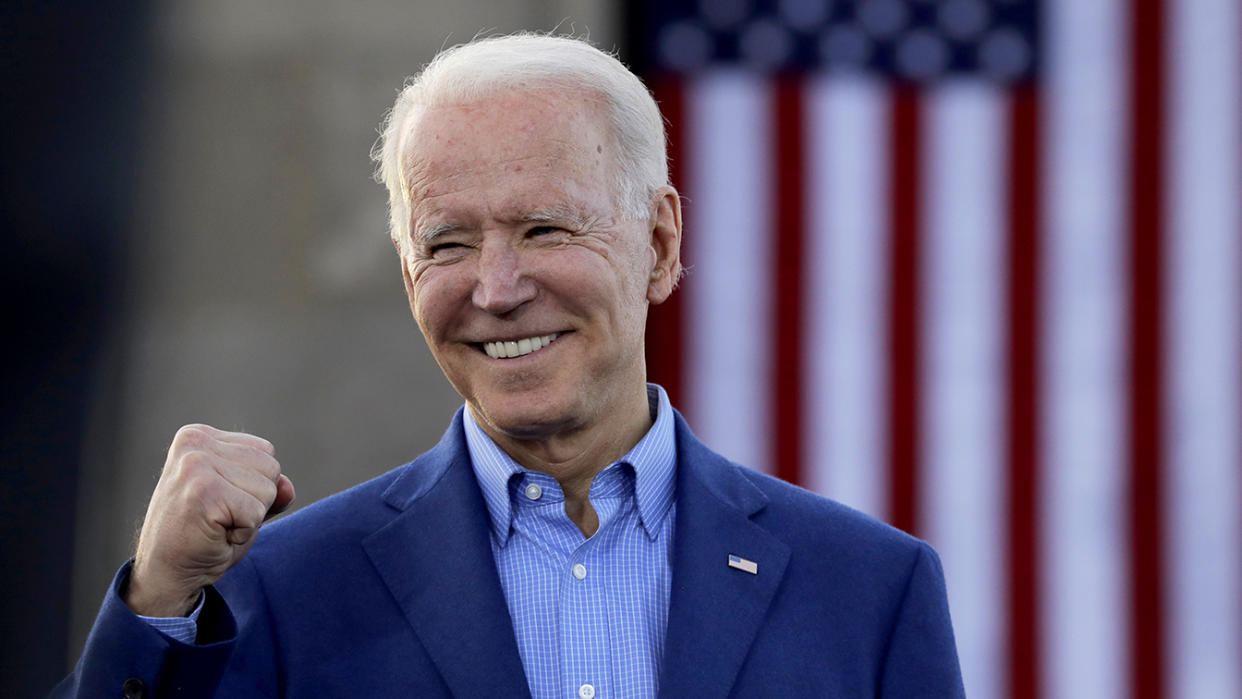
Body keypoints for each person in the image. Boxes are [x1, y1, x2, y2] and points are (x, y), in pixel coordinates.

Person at [54, 34, 964, 698]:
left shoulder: (869, 593)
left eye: (544, 229)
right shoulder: (266, 595)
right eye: (448, 242)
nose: (496, 287)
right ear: (409, 272)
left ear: (659, 242)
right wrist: (159, 597)